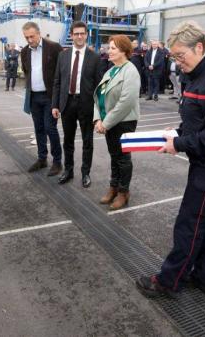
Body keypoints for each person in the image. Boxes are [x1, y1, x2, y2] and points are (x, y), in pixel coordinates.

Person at [135, 21, 205, 299]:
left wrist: (179, 143)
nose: (178, 62)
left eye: (181, 56)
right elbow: (200, 122)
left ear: (201, 48)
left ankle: (169, 281)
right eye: (174, 57)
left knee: (189, 224)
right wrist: (178, 133)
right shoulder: (196, 76)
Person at [52, 21, 103, 188]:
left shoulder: (94, 57)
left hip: (86, 104)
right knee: (68, 140)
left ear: (86, 35)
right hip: (67, 103)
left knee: (88, 141)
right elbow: (57, 82)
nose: (79, 36)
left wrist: (99, 111)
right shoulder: (63, 56)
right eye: (76, 34)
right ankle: (68, 170)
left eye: (82, 33)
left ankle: (85, 173)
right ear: (72, 35)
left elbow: (99, 86)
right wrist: (55, 105)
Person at [93, 35, 141, 210]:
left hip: (124, 122)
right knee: (114, 156)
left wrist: (106, 122)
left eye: (113, 48)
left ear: (124, 51)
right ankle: (114, 187)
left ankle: (123, 192)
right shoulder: (110, 71)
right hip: (108, 121)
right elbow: (99, 96)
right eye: (109, 47)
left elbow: (126, 102)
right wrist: (98, 118)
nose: (109, 51)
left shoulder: (131, 71)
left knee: (123, 158)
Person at [20, 21, 63, 176]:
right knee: (38, 129)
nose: (30, 40)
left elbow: (62, 73)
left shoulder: (54, 48)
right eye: (26, 37)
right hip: (34, 97)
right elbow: (27, 72)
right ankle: (42, 158)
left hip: (50, 97)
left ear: (39, 33)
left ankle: (57, 162)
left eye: (32, 36)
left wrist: (58, 100)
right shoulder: (24, 52)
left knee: (50, 128)